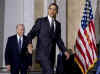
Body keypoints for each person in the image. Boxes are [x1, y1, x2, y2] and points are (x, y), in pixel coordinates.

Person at [27, 3, 70, 74]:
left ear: (56, 12)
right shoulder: (41, 21)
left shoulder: (58, 24)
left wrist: (64, 51)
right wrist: (29, 44)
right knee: (50, 72)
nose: (52, 11)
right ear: (48, 10)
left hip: (51, 55)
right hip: (42, 54)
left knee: (46, 72)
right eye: (51, 9)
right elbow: (31, 34)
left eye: (54, 9)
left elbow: (58, 40)